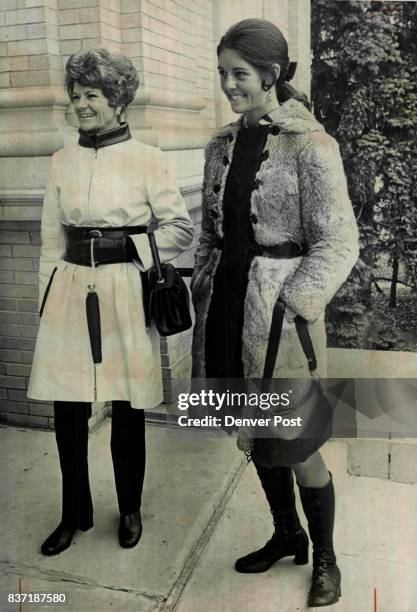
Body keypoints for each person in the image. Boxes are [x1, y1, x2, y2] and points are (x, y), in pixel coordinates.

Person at [191, 19, 359, 608]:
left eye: (240, 74)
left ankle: (327, 558)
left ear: (271, 74)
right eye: (222, 74)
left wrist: (295, 300)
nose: (229, 85)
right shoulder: (220, 146)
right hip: (228, 311)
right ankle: (287, 535)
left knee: (298, 442)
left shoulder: (310, 144)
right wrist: (203, 281)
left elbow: (339, 241)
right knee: (255, 435)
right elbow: (211, 234)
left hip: (281, 318)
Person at [28, 48, 194, 556]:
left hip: (125, 289)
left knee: (126, 406)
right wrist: (46, 306)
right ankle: (72, 511)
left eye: (92, 95)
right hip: (70, 293)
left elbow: (180, 230)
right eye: (76, 95)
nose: (81, 104)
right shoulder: (62, 160)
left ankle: (129, 508)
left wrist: (130, 248)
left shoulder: (148, 159)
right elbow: (49, 243)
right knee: (69, 407)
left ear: (118, 101)